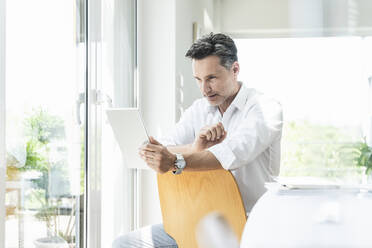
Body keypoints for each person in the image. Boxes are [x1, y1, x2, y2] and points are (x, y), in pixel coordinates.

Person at [112, 33, 283, 248]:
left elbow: (235, 153)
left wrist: (177, 161)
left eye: (212, 78)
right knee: (124, 244)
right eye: (198, 80)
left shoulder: (265, 108)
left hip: (248, 224)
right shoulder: (199, 109)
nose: (204, 89)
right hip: (196, 219)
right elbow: (164, 146)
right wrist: (195, 148)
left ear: (235, 70)